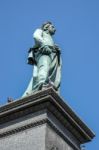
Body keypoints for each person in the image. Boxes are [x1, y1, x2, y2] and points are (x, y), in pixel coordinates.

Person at [22, 21, 62, 97]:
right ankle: (42, 85)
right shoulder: (40, 31)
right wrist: (44, 45)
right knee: (44, 68)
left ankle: (44, 85)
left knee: (49, 74)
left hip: (52, 54)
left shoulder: (50, 38)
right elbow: (36, 36)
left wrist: (56, 49)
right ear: (46, 27)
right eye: (52, 27)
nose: (55, 29)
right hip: (44, 52)